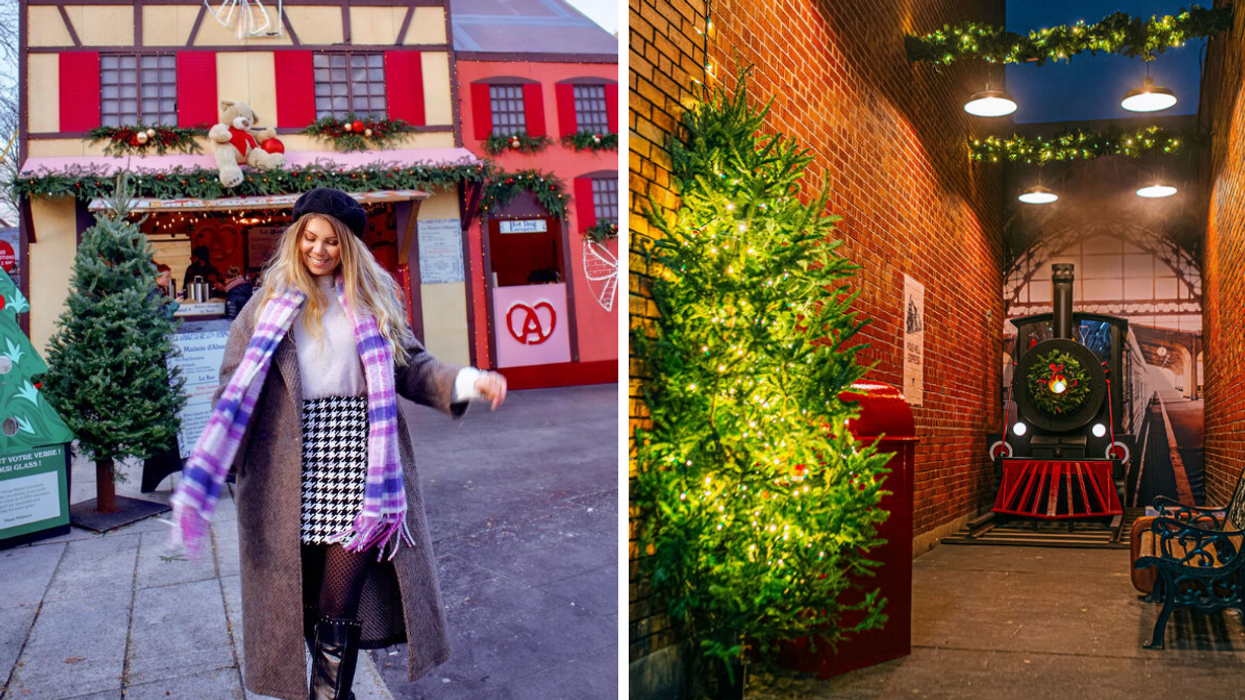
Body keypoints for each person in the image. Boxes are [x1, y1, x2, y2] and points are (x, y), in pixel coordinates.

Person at [168, 188, 507, 700]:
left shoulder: (374, 299)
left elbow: (412, 366)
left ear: (348, 245)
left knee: (338, 599)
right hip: (286, 461)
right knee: (299, 600)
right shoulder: (267, 303)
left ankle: (329, 697)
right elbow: (234, 381)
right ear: (296, 238)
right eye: (310, 237)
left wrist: (467, 381)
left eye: (331, 241)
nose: (319, 249)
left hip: (359, 461)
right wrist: (220, 457)